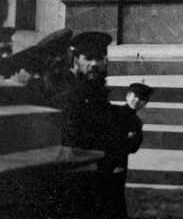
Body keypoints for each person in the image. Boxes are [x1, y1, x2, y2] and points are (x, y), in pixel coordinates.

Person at [55, 31, 130, 219]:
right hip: (78, 183)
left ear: (106, 62)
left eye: (99, 58)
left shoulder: (103, 100)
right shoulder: (68, 99)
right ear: (76, 62)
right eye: (88, 58)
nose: (94, 64)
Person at [109, 82, 154, 218]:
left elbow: (133, 147)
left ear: (144, 104)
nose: (137, 101)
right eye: (134, 96)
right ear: (128, 96)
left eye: (142, 99)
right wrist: (124, 137)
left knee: (116, 198)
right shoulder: (113, 111)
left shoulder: (136, 122)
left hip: (119, 163)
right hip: (103, 160)